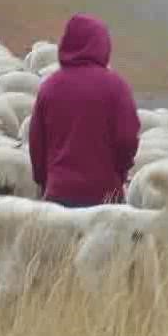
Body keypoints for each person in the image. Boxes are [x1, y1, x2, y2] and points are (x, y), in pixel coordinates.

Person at [29, 13, 141, 207]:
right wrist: (120, 173)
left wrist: (44, 180)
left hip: (59, 195)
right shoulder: (116, 86)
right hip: (105, 195)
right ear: (102, 45)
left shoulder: (50, 87)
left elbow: (37, 141)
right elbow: (127, 138)